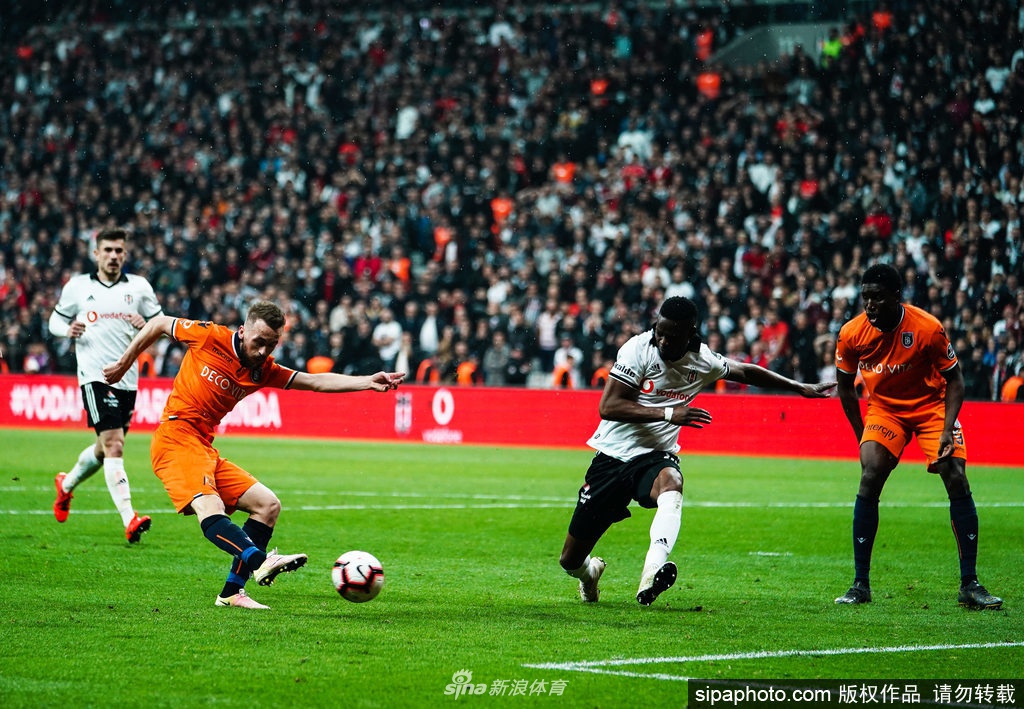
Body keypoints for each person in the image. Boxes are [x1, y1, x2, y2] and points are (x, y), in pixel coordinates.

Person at [102, 301, 405, 609]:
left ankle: (231, 592)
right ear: (242, 331)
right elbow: (158, 323)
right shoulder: (209, 336)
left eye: (271, 345)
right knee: (210, 506)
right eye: (259, 341)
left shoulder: (263, 370)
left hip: (204, 447)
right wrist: (124, 364)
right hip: (176, 438)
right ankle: (260, 562)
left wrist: (367, 382)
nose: (263, 351)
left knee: (267, 505)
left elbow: (314, 381)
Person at [559, 296, 835, 605]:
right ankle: (590, 574)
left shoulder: (703, 360)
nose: (663, 340)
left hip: (654, 456)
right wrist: (668, 413)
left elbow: (745, 372)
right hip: (612, 458)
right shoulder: (638, 349)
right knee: (570, 560)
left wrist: (799, 387)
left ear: (690, 333)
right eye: (659, 332)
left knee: (672, 483)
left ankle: (651, 572)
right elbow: (609, 406)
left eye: (672, 335)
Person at [833, 264, 1002, 609]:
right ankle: (860, 584)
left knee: (955, 473)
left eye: (878, 297)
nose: (870, 305)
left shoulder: (927, 328)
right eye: (865, 297)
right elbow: (845, 387)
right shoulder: (851, 333)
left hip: (932, 406)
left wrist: (946, 428)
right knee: (870, 473)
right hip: (885, 410)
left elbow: (955, 380)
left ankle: (970, 584)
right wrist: (861, 433)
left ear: (897, 296)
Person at [49, 228, 163, 542]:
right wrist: (67, 330)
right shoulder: (78, 286)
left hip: (127, 378)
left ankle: (66, 485)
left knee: (103, 449)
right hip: (94, 376)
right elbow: (54, 320)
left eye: (119, 251)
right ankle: (130, 519)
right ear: (96, 254)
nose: (113, 256)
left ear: (125, 255)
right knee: (115, 444)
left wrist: (147, 326)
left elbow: (161, 323)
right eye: (108, 250)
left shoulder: (139, 287)